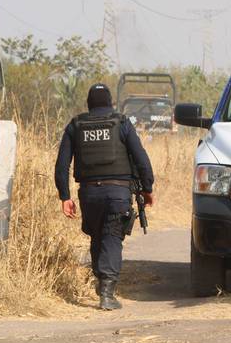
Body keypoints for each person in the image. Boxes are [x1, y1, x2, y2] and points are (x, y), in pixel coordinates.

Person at [54, 83, 155, 310]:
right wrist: (147, 188)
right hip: (118, 193)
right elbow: (141, 157)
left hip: (89, 194)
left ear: (88, 105)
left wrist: (65, 196)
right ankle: (107, 291)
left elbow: (61, 165)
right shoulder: (121, 123)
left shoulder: (76, 125)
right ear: (110, 103)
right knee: (111, 236)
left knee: (97, 235)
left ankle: (102, 281)